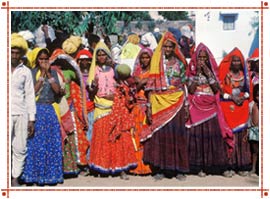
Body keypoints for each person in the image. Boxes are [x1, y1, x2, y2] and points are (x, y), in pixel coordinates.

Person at [140, 32, 189, 181]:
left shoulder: (180, 64)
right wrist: (149, 106)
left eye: (170, 47)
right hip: (159, 102)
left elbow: (183, 85)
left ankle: (178, 169)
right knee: (161, 135)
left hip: (176, 101)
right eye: (165, 46)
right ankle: (160, 168)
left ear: (174, 48)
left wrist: (186, 104)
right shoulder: (157, 63)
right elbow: (150, 87)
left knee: (177, 135)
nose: (167, 49)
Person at [88, 42, 136, 179]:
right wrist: (94, 86)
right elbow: (91, 90)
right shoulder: (94, 70)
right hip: (101, 107)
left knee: (118, 137)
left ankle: (120, 168)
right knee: (102, 137)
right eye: (99, 55)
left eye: (104, 54)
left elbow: (128, 80)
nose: (102, 57)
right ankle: (102, 167)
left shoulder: (114, 69)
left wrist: (114, 64)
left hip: (116, 106)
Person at [185, 43, 234, 177]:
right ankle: (199, 167)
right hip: (196, 107)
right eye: (199, 58)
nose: (201, 60)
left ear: (208, 59)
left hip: (210, 107)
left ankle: (218, 166)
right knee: (198, 138)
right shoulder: (192, 72)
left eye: (204, 58)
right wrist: (198, 73)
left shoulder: (211, 72)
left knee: (214, 136)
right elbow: (191, 89)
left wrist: (207, 71)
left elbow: (217, 88)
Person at [21, 48, 63, 185]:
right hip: (36, 110)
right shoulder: (31, 73)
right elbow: (32, 92)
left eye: (46, 59)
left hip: (50, 111)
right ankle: (34, 175)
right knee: (36, 144)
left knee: (51, 143)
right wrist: (42, 75)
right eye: (41, 59)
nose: (44, 62)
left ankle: (50, 176)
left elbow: (57, 90)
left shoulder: (54, 73)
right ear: (37, 60)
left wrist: (49, 75)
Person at [219, 47, 252, 176]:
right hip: (227, 108)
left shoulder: (245, 75)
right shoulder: (225, 74)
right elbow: (221, 90)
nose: (236, 63)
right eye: (234, 61)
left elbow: (249, 91)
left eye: (239, 61)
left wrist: (242, 97)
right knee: (228, 136)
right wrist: (232, 97)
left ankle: (242, 165)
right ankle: (228, 166)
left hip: (241, 108)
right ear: (230, 62)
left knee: (241, 138)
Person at [11, 33, 36, 186]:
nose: (14, 55)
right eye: (11, 51)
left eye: (17, 52)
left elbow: (30, 96)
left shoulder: (25, 71)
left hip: (21, 113)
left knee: (20, 147)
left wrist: (31, 119)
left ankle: (15, 177)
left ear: (21, 53)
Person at [129, 48, 153, 175]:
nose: (144, 60)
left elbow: (153, 89)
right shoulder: (136, 72)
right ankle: (137, 165)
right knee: (135, 136)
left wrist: (144, 81)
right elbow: (132, 90)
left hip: (148, 108)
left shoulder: (154, 73)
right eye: (142, 58)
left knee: (147, 137)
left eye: (147, 57)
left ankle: (147, 165)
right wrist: (140, 83)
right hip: (137, 108)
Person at [248, 84, 259, 175]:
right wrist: (248, 129)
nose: (259, 98)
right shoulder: (251, 105)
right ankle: (253, 168)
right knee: (254, 150)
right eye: (257, 95)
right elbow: (249, 117)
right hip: (254, 130)